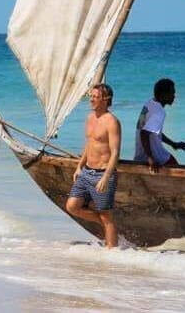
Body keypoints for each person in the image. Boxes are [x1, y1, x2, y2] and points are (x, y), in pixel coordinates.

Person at [66, 83, 121, 248]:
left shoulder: (112, 122)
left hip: (102, 174)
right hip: (86, 172)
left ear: (106, 99)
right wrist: (79, 166)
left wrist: (106, 177)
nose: (91, 100)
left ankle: (112, 252)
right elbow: (89, 144)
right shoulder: (90, 118)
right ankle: (106, 226)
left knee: (106, 215)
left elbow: (115, 152)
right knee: (72, 206)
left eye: (95, 97)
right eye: (91, 96)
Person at [134, 78, 185, 173]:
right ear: (163, 95)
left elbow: (153, 132)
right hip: (155, 156)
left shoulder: (150, 103)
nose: (174, 96)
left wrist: (173, 144)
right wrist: (150, 158)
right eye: (172, 93)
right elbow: (144, 133)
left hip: (140, 155)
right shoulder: (159, 112)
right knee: (178, 171)